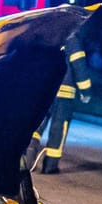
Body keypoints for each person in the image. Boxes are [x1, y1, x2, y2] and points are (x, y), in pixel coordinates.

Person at [33, 34, 93, 174]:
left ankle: (27, 160)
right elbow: (78, 65)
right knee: (59, 128)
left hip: (45, 89)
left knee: (35, 126)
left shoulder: (48, 37)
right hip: (64, 92)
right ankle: (50, 166)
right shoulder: (72, 39)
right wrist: (86, 91)